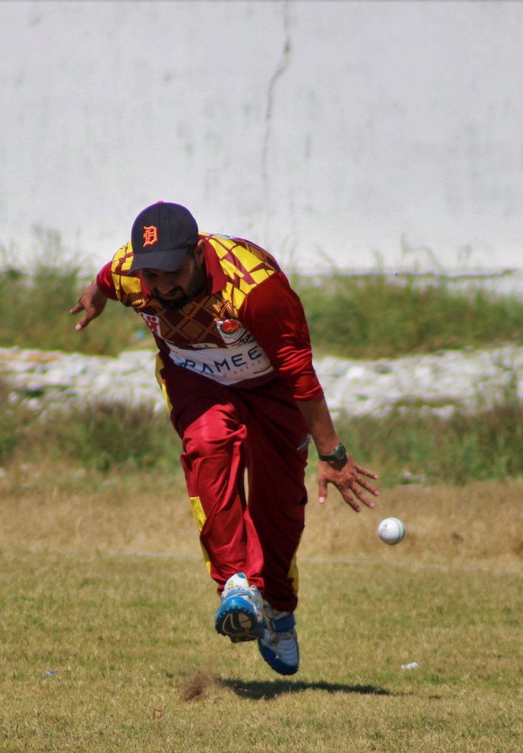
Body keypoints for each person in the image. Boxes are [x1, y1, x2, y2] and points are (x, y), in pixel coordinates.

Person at [71, 201, 379, 676]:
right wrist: (94, 297)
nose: (162, 287)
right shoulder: (129, 272)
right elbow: (106, 280)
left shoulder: (256, 289)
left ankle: (278, 608)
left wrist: (332, 453)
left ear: (197, 254)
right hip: (196, 380)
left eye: (173, 272)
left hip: (271, 388)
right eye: (151, 276)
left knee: (279, 507)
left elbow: (299, 373)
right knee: (208, 446)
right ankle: (236, 584)